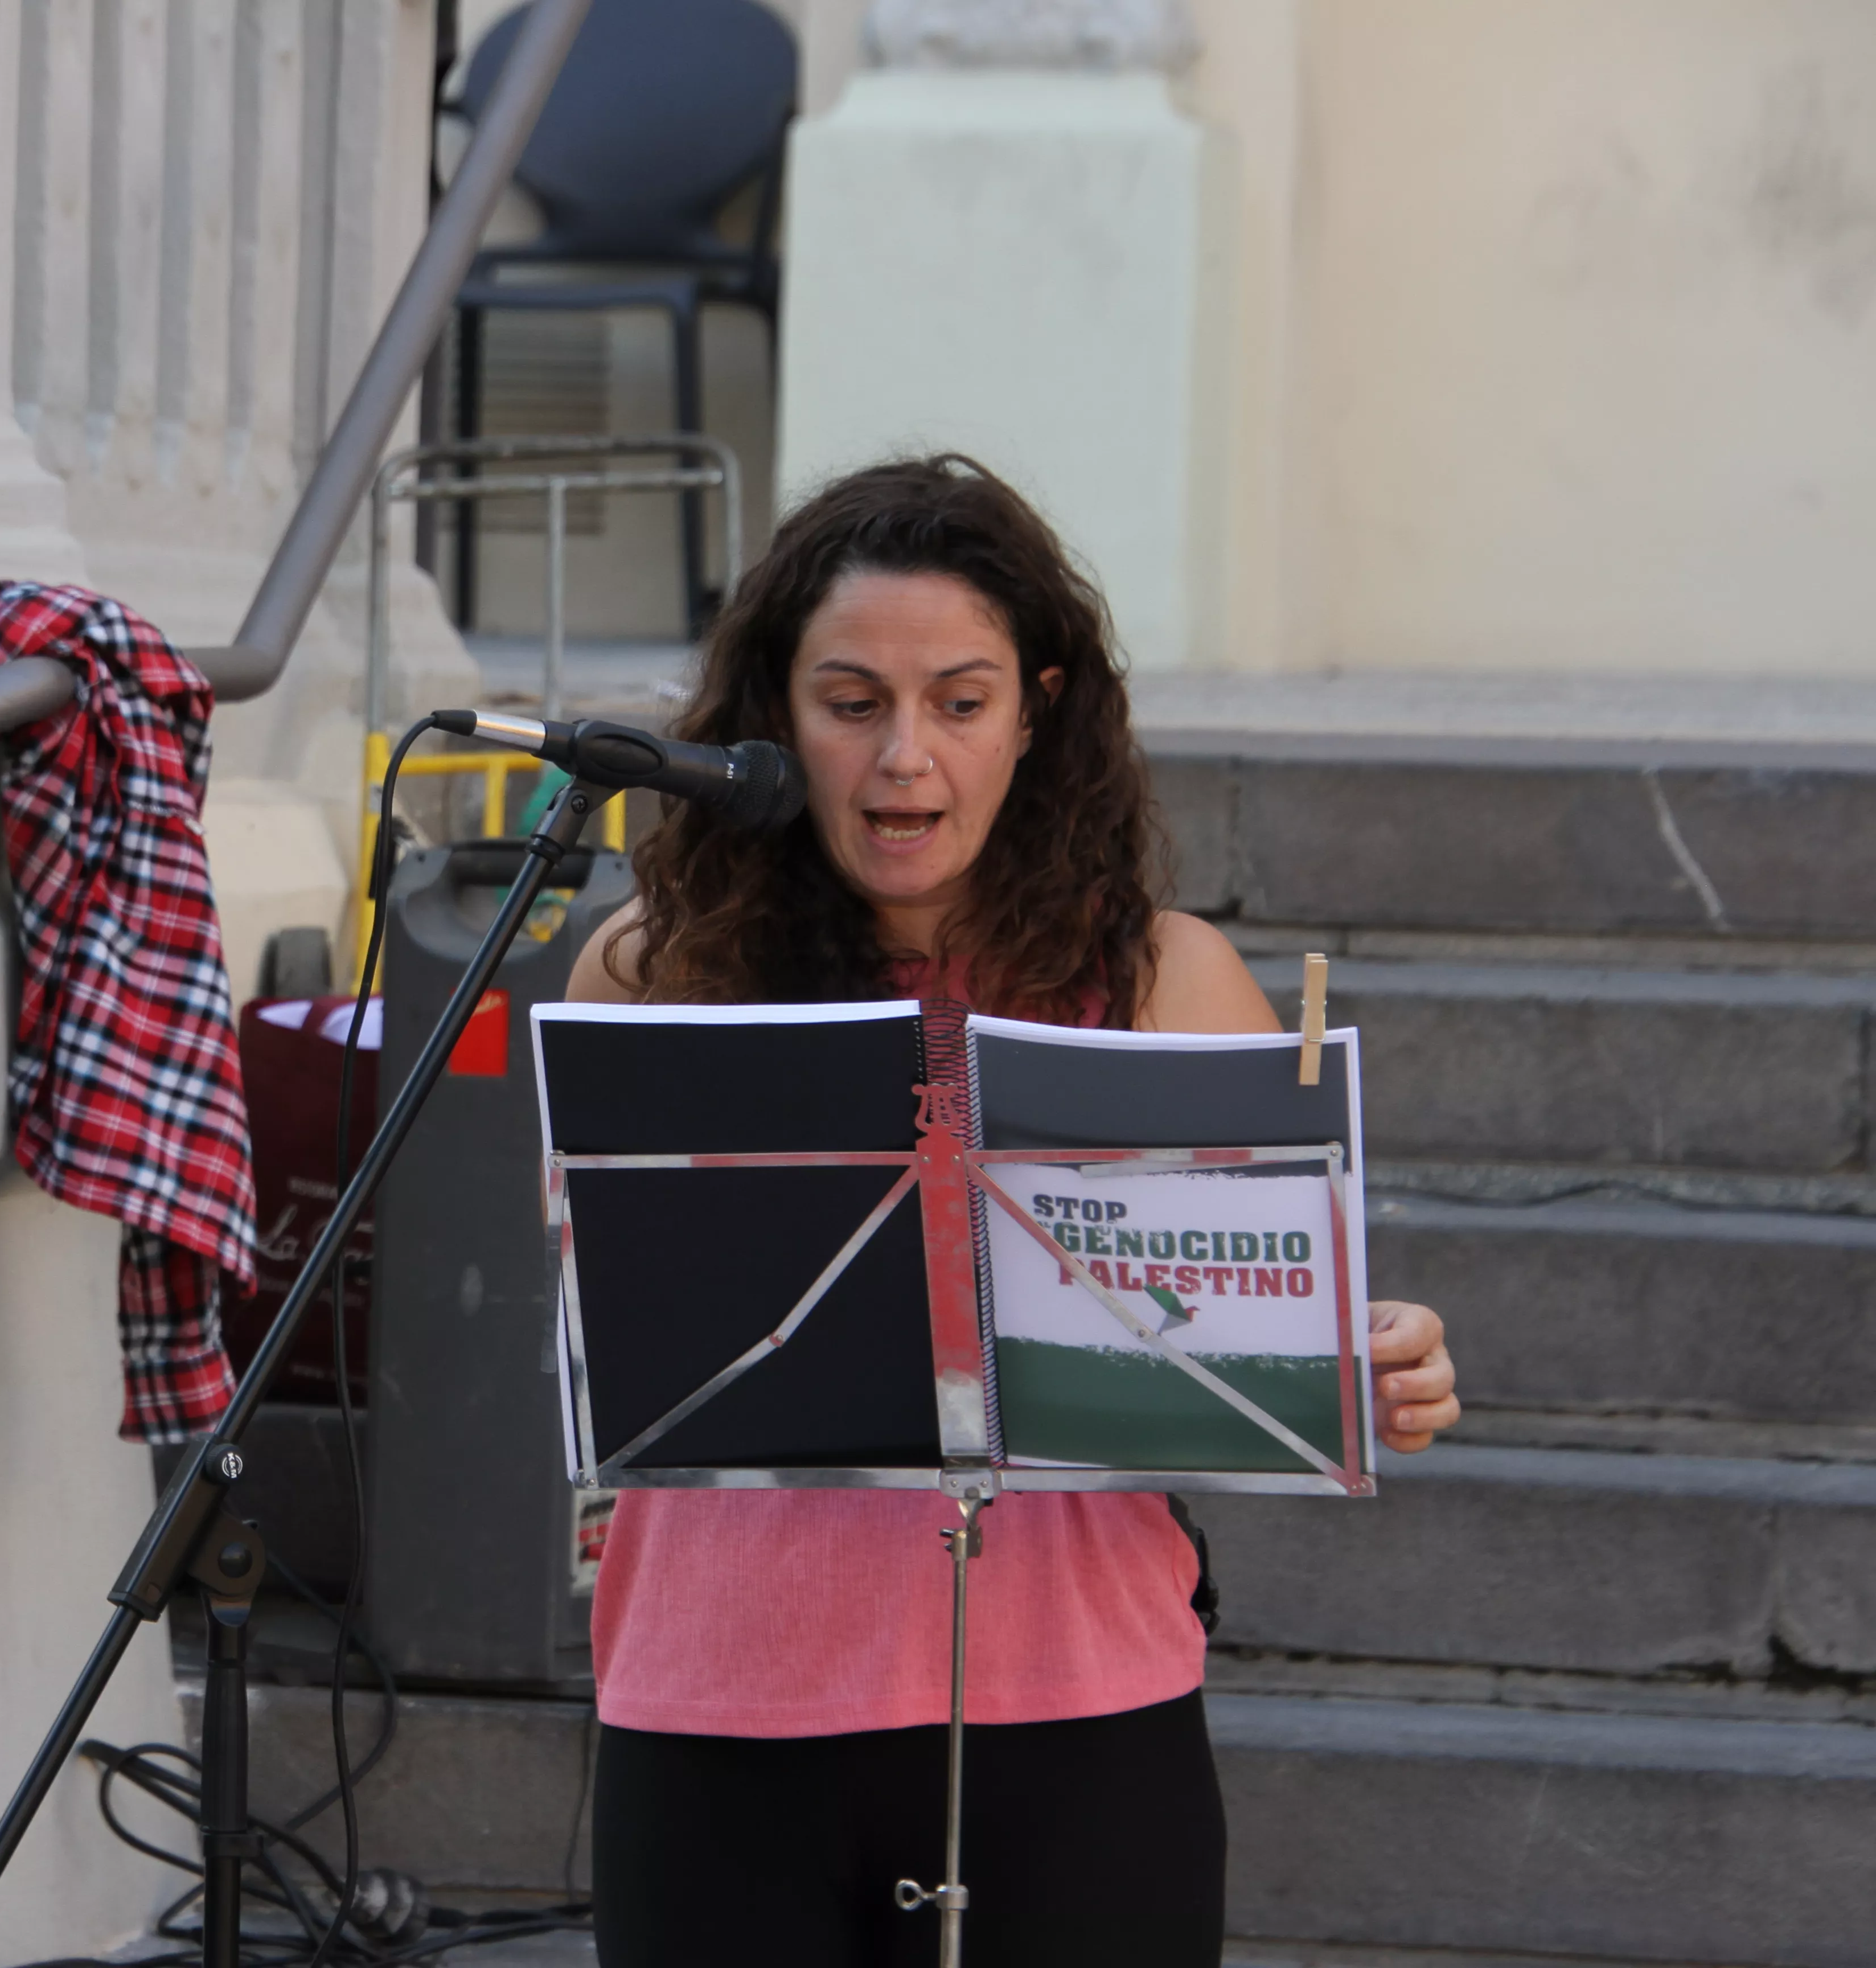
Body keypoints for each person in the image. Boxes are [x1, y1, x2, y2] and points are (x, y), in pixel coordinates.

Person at [566, 456, 1460, 1967]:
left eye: (961, 704)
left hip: (1076, 1707)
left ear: (1039, 710)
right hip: (716, 1698)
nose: (905, 758)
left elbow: (1268, 1339)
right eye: (851, 704)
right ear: (772, 716)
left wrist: (1380, 1357)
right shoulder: (653, 972)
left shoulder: (1168, 982)